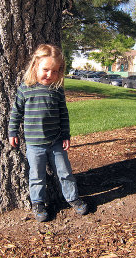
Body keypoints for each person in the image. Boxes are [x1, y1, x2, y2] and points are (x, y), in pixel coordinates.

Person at [8, 44, 88, 222]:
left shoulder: (57, 90)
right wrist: (12, 131)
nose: (49, 75)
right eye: (45, 70)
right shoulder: (25, 89)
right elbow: (16, 113)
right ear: (35, 65)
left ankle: (73, 198)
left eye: (55, 71)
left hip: (56, 142)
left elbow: (63, 114)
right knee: (36, 176)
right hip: (34, 145)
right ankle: (38, 203)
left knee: (65, 172)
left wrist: (66, 135)